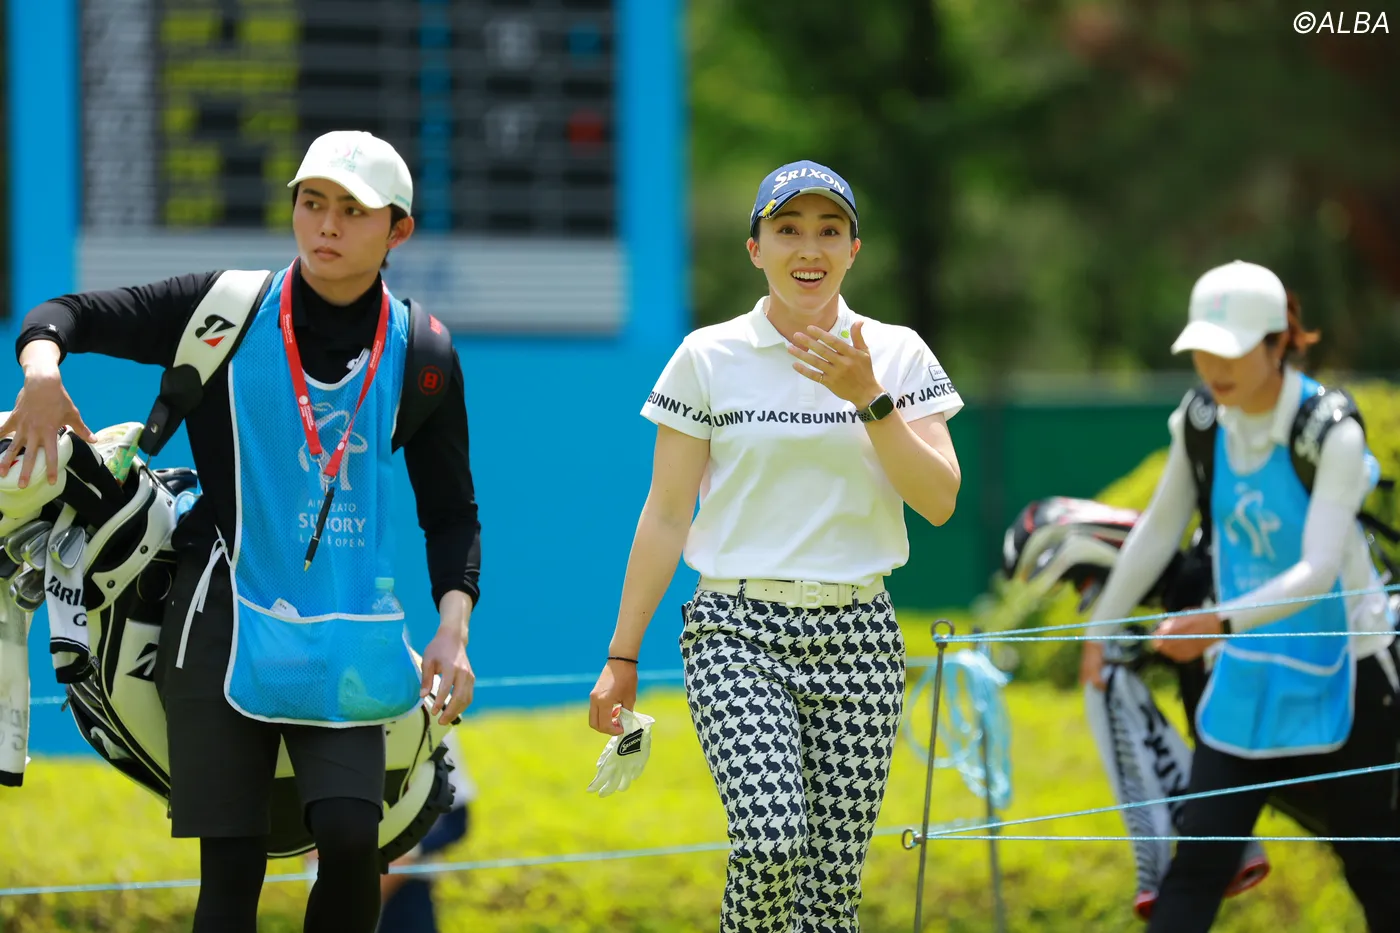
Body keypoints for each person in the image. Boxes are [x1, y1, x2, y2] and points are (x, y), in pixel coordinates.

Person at [3, 130, 481, 933]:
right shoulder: (225, 310)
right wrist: (43, 371)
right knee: (231, 866)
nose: (326, 225)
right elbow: (66, 316)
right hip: (214, 618)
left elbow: (451, 510)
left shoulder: (423, 352)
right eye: (312, 203)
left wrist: (453, 629)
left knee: (351, 839)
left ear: (397, 230)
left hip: (347, 625)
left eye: (352, 211)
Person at [586, 160, 964, 931]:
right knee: (771, 838)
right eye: (787, 229)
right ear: (755, 248)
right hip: (737, 629)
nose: (809, 248)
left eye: (829, 230)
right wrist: (623, 654)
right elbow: (666, 513)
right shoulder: (707, 356)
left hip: (859, 636)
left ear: (854, 249)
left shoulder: (897, 354)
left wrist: (869, 398)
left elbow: (938, 500)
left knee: (829, 893)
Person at [1079, 260, 1400, 931]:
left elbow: (1318, 569)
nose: (1212, 367)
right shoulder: (1200, 420)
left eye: (1231, 351)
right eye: (1202, 349)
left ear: (1278, 344)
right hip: (1248, 673)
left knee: (1377, 868)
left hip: (1350, 673)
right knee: (1198, 864)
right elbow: (1159, 528)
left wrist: (1214, 623)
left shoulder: (1331, 430)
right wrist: (1098, 631)